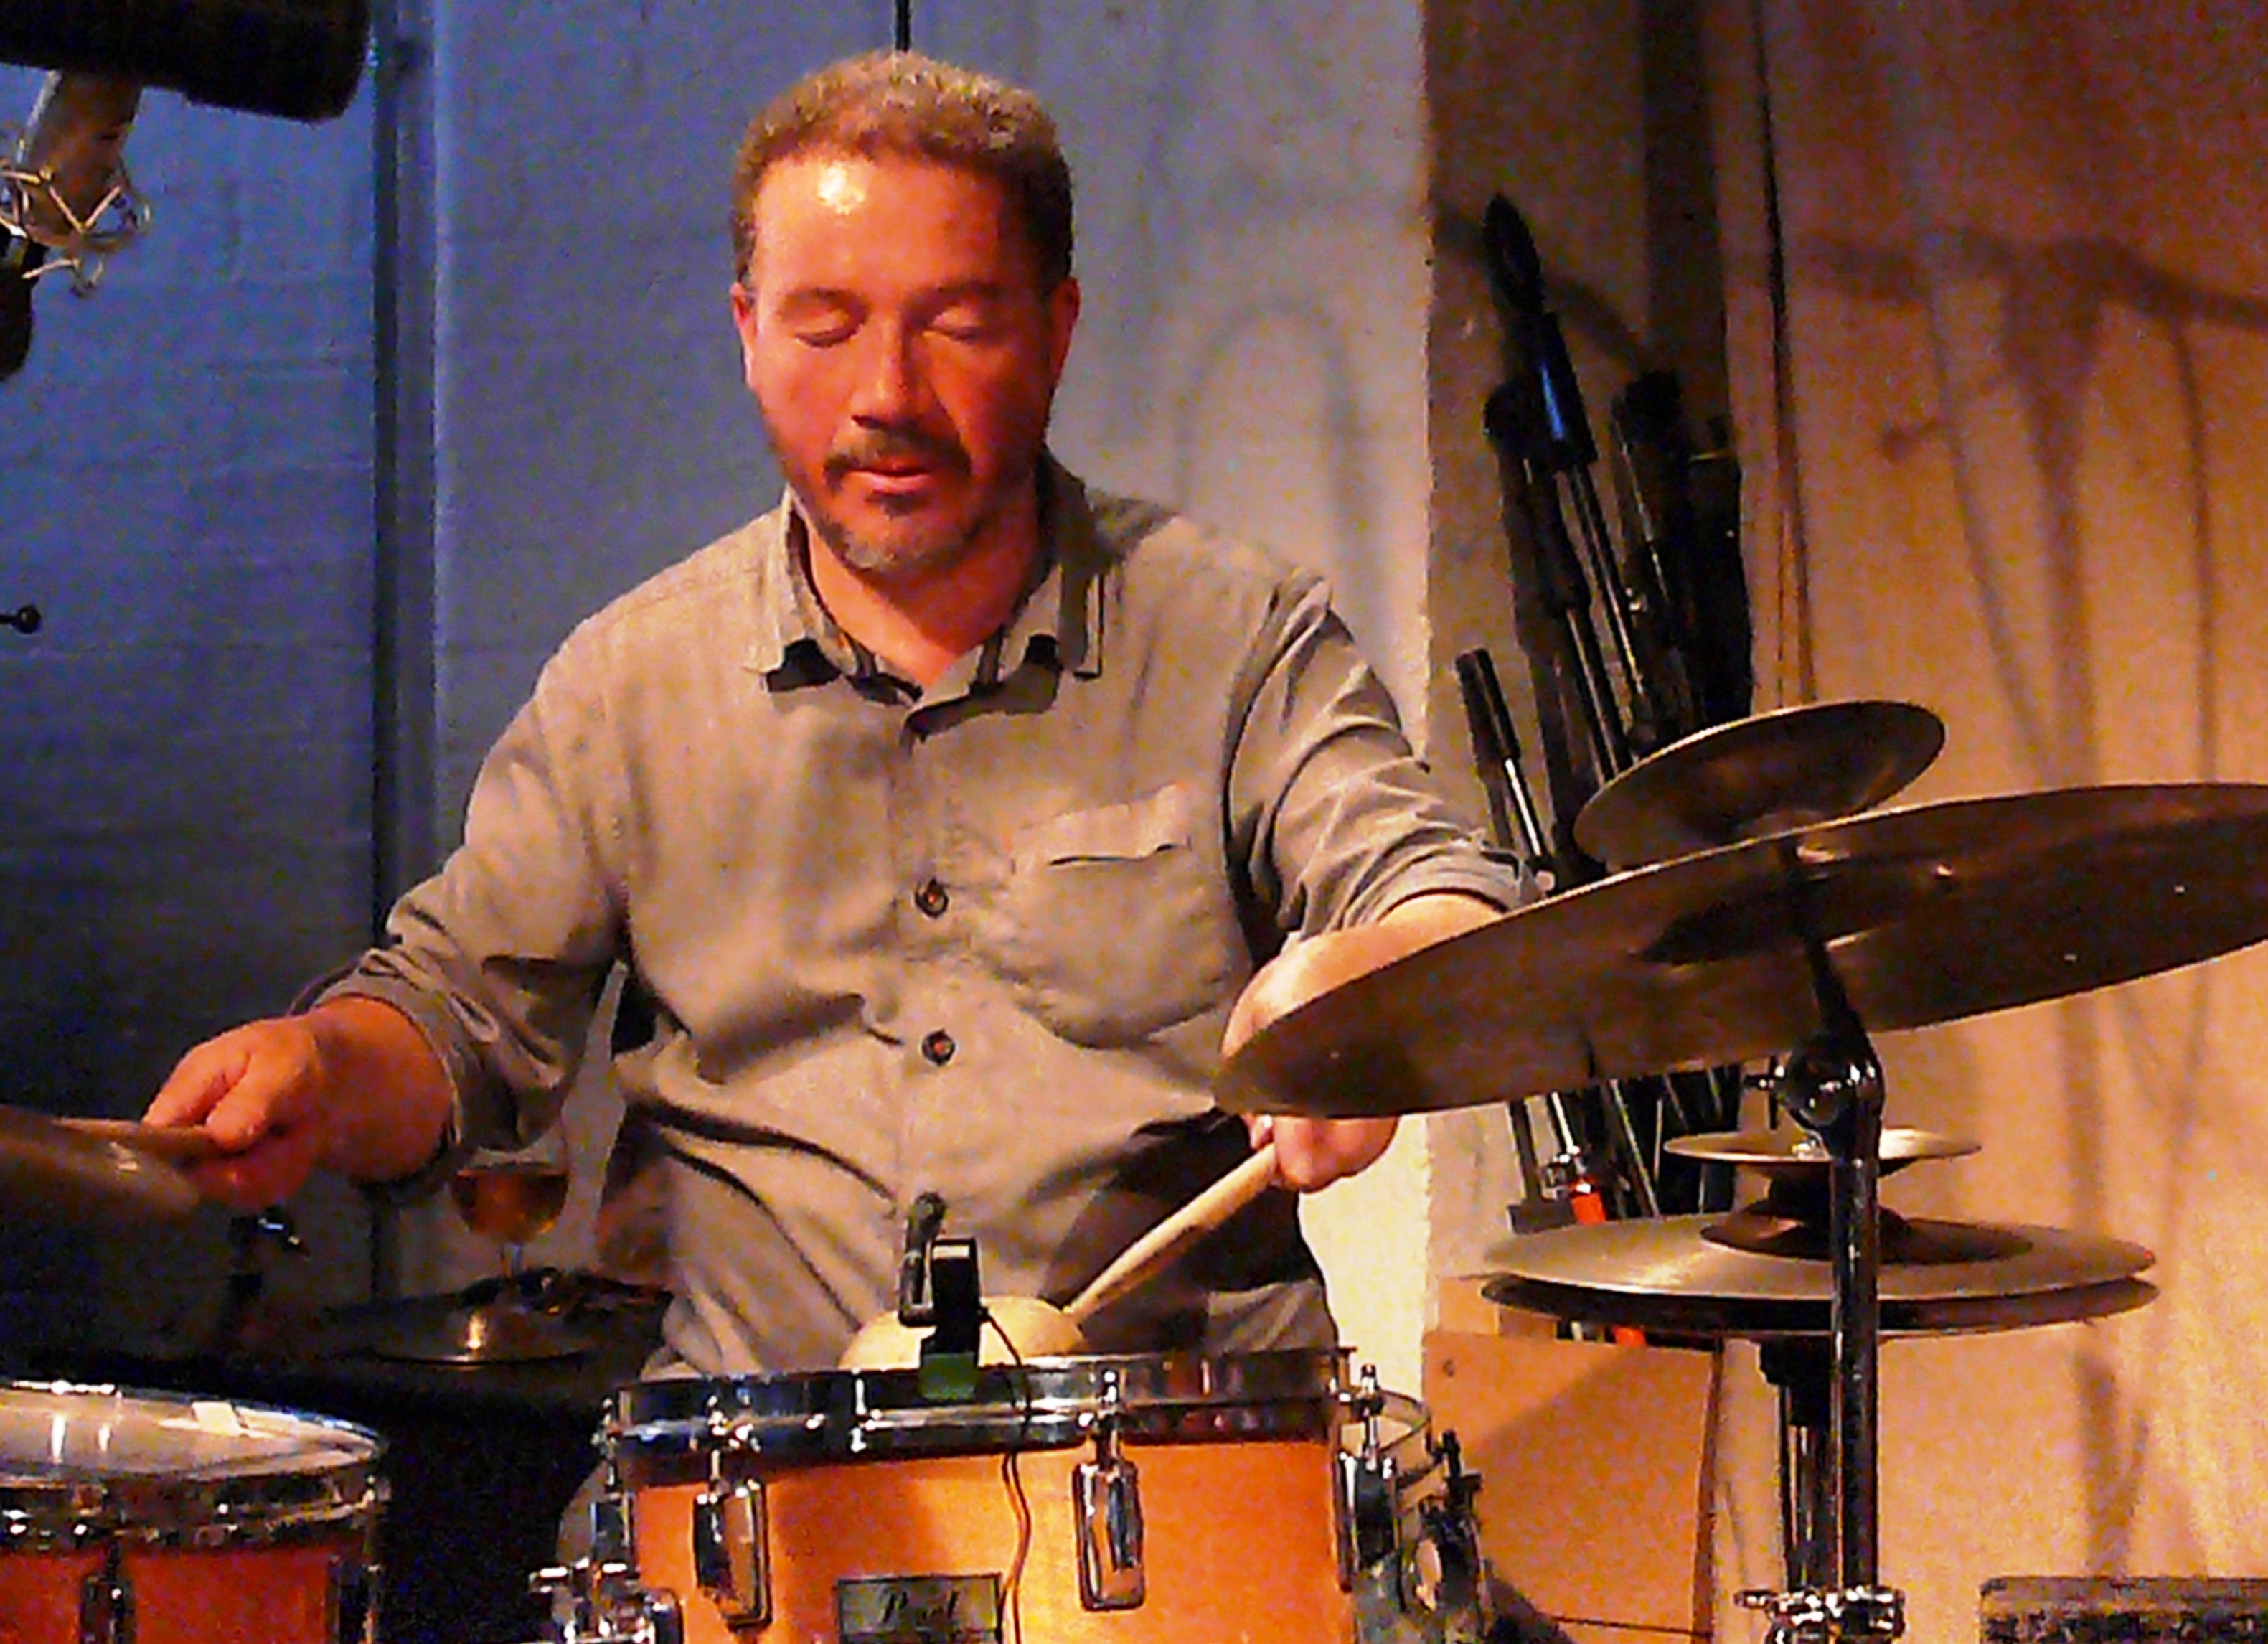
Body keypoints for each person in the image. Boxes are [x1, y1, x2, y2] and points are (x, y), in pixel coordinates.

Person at [145, 49, 1519, 1376]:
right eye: (825, 326)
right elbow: (456, 1018)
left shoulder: (1235, 637)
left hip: (1187, 1478)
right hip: (763, 1496)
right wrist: (320, 1068)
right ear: (747, 333)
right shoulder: (632, 684)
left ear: (1056, 332)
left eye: (960, 324)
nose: (886, 398)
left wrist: (1375, 992)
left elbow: (1432, 892)